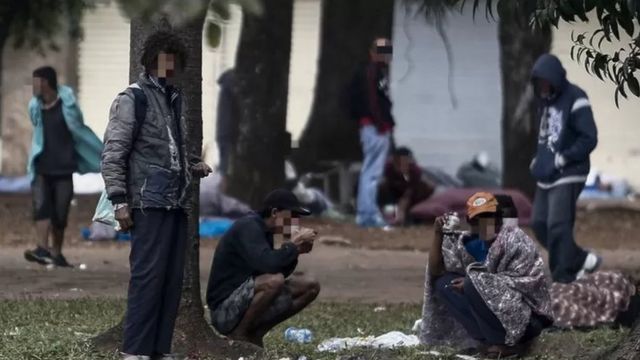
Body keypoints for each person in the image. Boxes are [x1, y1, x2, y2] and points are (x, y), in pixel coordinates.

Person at [102, 31, 212, 360]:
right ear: (150, 61)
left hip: (176, 202)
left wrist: (193, 165)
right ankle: (134, 351)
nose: (169, 66)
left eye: (174, 61)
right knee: (147, 279)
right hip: (147, 203)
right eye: (163, 59)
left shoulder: (175, 98)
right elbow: (113, 154)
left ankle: (158, 350)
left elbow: (167, 151)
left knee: (171, 282)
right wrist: (120, 201)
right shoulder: (131, 98)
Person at [421, 192, 553, 358]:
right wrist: (438, 234)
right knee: (444, 284)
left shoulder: (515, 241)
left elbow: (525, 283)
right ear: (471, 223)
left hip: (527, 320)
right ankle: (486, 341)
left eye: (488, 218)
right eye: (478, 220)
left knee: (472, 282)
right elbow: (436, 270)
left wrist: (475, 282)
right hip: (493, 317)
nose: (485, 224)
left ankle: (506, 345)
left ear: (498, 219)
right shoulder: (472, 245)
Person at [206, 189, 321, 347]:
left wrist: (296, 252)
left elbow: (277, 269)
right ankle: (239, 336)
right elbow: (268, 265)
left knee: (310, 285)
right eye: (292, 216)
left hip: (244, 300)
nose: (295, 222)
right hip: (224, 310)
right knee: (274, 282)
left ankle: (255, 334)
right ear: (275, 212)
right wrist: (292, 247)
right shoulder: (249, 226)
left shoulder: (270, 232)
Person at [529, 54, 601, 283]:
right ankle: (580, 260)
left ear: (556, 79)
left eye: (545, 81)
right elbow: (547, 137)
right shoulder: (544, 102)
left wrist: (564, 158)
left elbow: (589, 138)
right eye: (538, 83)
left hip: (570, 172)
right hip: (547, 175)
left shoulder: (576, 98)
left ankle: (563, 278)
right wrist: (539, 159)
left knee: (558, 226)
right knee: (540, 224)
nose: (542, 87)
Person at [24, 66, 103, 267]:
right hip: (42, 167)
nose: (33, 86)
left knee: (60, 214)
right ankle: (42, 248)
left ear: (45, 83)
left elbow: (78, 125)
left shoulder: (68, 106)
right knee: (41, 207)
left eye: (36, 81)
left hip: (64, 169)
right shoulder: (35, 106)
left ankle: (56, 253)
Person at [350, 37, 395, 228]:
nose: (385, 56)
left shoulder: (380, 72)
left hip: (376, 126)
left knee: (371, 171)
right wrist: (380, 123)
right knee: (372, 172)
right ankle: (367, 214)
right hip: (374, 127)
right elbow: (372, 101)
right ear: (373, 53)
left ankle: (365, 213)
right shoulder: (372, 72)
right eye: (382, 51)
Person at [377, 147, 435, 225]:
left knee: (428, 187)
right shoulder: (388, 168)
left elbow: (407, 196)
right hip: (393, 191)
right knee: (381, 187)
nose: (401, 166)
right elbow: (388, 185)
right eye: (398, 162)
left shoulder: (415, 171)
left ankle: (414, 214)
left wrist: (401, 211)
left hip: (412, 195)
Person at [215, 68, 239, 191]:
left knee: (225, 169)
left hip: (225, 133)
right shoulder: (233, 82)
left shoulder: (228, 82)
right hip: (229, 135)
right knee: (226, 171)